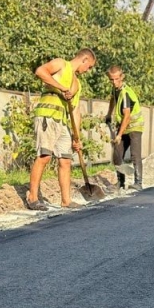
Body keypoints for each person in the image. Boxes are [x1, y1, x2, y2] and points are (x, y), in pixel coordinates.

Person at [26, 48, 96, 210]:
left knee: (65, 160)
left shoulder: (77, 84)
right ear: (84, 60)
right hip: (47, 115)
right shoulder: (60, 64)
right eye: (89, 67)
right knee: (44, 156)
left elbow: (75, 111)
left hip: (62, 121)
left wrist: (77, 137)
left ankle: (66, 200)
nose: (88, 71)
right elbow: (40, 72)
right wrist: (61, 88)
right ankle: (33, 197)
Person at [105, 65, 145, 190]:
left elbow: (127, 116)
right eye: (111, 79)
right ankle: (120, 182)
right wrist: (108, 114)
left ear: (122, 77)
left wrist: (119, 135)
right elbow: (112, 99)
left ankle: (138, 182)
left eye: (117, 79)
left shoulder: (126, 93)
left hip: (134, 127)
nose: (114, 82)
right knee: (117, 154)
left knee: (134, 154)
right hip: (123, 126)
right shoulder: (115, 90)